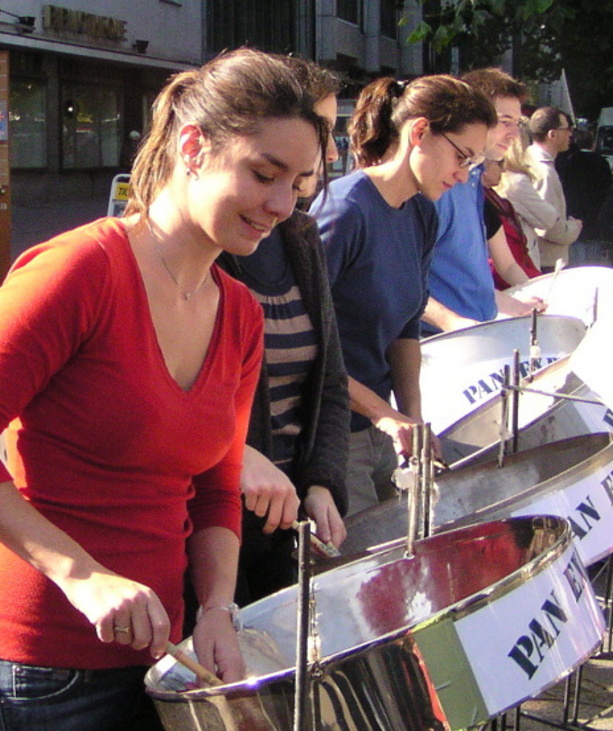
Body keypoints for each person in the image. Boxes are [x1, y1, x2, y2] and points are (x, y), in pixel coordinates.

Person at [0, 48, 327, 731]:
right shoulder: (78, 271)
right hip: (44, 669)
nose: (281, 205)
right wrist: (83, 575)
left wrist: (217, 608)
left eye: (298, 184)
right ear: (193, 147)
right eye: (263, 173)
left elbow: (215, 487)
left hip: (163, 657)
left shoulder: (240, 313)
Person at [311, 74, 496, 515]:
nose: (463, 175)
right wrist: (383, 414)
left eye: (473, 163)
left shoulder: (421, 214)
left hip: (381, 427)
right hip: (331, 431)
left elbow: (405, 328)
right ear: (419, 132)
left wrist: (412, 419)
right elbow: (303, 342)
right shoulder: (344, 211)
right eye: (461, 157)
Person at [216, 58, 350, 606]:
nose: (330, 152)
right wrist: (233, 453)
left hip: (284, 527)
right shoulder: (204, 256)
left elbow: (331, 382)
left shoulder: (300, 235)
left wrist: (321, 481)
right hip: (212, 532)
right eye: (323, 130)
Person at [421, 68, 545, 336]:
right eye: (505, 121)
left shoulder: (474, 180)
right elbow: (398, 281)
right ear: (475, 117)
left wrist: (515, 305)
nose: (514, 134)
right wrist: (450, 321)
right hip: (437, 342)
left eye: (517, 123)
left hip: (472, 334)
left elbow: (464, 281)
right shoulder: (437, 186)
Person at [496, 117, 558, 272]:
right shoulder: (516, 182)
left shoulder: (501, 178)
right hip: (518, 262)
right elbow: (548, 218)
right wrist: (573, 227)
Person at [526, 106, 583, 271]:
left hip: (541, 259)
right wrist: (574, 227)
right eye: (567, 128)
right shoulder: (544, 172)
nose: (570, 134)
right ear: (552, 134)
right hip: (547, 263)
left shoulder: (530, 160)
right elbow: (547, 226)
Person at [482, 157, 541, 289]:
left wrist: (533, 287)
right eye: (499, 163)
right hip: (495, 284)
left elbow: (508, 265)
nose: (503, 170)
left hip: (511, 281)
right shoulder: (482, 202)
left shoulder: (492, 204)